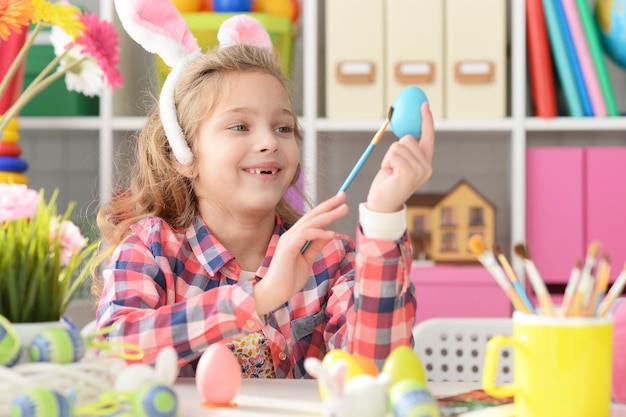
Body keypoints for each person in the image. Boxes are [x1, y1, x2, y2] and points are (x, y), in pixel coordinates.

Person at [94, 6, 435, 379]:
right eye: (240, 126)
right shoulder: (151, 247)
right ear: (184, 156)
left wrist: (384, 217)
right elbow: (114, 353)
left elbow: (374, 375)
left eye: (283, 128)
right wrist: (259, 298)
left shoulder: (331, 259)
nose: (269, 142)